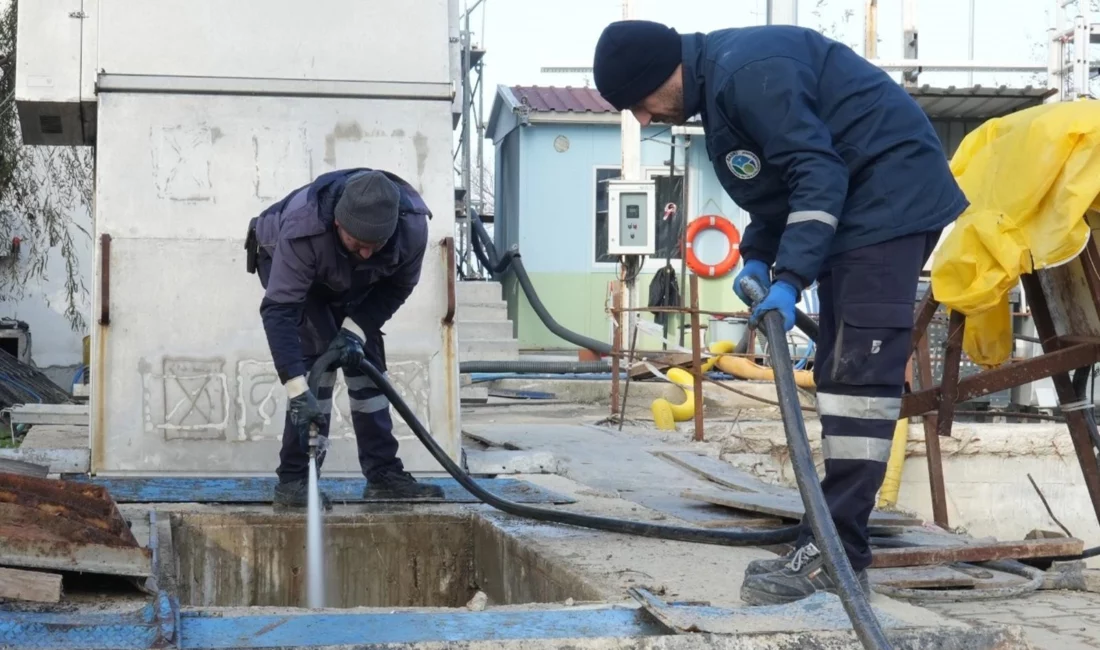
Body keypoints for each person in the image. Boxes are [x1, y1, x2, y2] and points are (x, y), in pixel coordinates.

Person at [592, 21, 967, 605]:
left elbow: (817, 173)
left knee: (860, 381)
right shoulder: (723, 94)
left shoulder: (746, 74)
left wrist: (791, 278)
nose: (642, 119)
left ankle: (838, 554)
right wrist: (760, 257)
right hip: (859, 203)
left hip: (891, 197)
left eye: (638, 103)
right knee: (841, 375)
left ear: (660, 75)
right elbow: (778, 187)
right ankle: (829, 538)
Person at [245, 168, 445, 509]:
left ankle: (383, 474)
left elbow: (398, 287)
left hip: (350, 276)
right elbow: (280, 310)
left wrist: (354, 330)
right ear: (339, 224)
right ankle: (295, 481)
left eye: (375, 245)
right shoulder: (302, 229)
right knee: (316, 359)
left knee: (366, 362)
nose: (367, 253)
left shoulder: (411, 227)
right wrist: (296, 389)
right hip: (282, 258)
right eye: (359, 243)